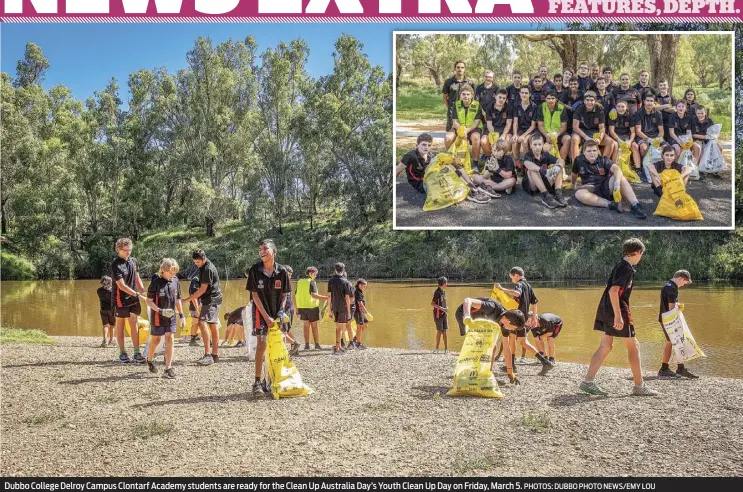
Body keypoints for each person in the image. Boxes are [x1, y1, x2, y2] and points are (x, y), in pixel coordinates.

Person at [580, 238, 658, 397]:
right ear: (637, 252)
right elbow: (614, 291)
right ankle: (639, 386)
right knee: (634, 346)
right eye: (641, 254)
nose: (640, 257)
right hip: (617, 311)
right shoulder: (626, 268)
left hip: (604, 309)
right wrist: (618, 316)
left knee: (606, 346)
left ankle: (587, 382)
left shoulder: (620, 266)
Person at [456, 297, 553, 383]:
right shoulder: (492, 307)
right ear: (509, 321)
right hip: (465, 315)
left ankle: (488, 373)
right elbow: (467, 300)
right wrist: (467, 316)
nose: (513, 331)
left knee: (492, 346)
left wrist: (510, 372)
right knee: (478, 345)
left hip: (482, 320)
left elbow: (507, 349)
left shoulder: (504, 326)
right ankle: (473, 371)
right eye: (514, 328)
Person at [246, 238, 291, 396]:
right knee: (262, 344)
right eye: (260, 249)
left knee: (277, 345)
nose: (262, 252)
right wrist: (266, 317)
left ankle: (270, 380)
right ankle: (257, 382)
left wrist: (280, 311)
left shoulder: (282, 271)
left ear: (274, 251)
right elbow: (255, 296)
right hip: (260, 312)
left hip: (276, 312)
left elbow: (285, 293)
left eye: (265, 249)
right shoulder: (254, 270)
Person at [395, 133, 492, 204]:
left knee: (451, 165)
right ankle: (471, 190)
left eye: (429, 145)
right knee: (448, 164)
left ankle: (473, 186)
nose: (426, 147)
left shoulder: (430, 155)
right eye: (423, 145)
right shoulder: (410, 156)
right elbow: (397, 170)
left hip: (433, 179)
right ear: (417, 145)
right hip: (423, 184)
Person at [493, 267, 556, 376]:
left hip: (516, 318)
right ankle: (543, 362)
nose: (512, 280)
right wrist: (535, 317)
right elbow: (535, 302)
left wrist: (502, 289)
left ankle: (541, 362)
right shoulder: (529, 286)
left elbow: (517, 294)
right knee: (519, 341)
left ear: (516, 275)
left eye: (512, 277)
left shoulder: (520, 284)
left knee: (515, 340)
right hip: (523, 318)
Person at [572, 139, 647, 219]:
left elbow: (616, 169)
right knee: (578, 194)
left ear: (598, 151)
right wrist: (573, 184)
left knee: (620, 177)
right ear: (584, 152)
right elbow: (574, 174)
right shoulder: (578, 160)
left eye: (594, 150)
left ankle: (635, 205)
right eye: (589, 151)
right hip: (591, 189)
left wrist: (617, 184)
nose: (592, 153)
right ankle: (611, 204)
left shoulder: (603, 159)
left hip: (606, 187)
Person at [143, 258, 184, 379]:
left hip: (171, 316)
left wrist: (182, 315)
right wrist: (160, 310)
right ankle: (149, 360)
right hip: (157, 316)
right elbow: (148, 301)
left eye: (175, 272)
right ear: (163, 270)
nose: (173, 275)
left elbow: (178, 300)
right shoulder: (156, 281)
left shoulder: (176, 281)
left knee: (170, 338)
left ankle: (168, 368)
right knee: (156, 340)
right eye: (171, 272)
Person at [182, 249, 223, 366]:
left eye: (198, 262)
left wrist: (186, 300)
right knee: (213, 324)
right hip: (214, 299)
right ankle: (215, 354)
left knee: (202, 322)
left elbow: (202, 289)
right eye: (195, 262)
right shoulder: (204, 266)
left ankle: (208, 355)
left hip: (212, 299)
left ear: (204, 258)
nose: (197, 264)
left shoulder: (208, 269)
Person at [657, 270, 698, 379]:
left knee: (673, 342)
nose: (683, 285)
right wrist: (679, 307)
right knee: (675, 342)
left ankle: (674, 367)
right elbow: (671, 308)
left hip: (665, 318)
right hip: (670, 320)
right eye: (684, 282)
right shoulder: (672, 288)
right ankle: (669, 369)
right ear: (680, 278)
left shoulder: (666, 285)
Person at [111, 237, 146, 364]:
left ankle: (137, 352)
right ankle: (122, 352)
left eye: (130, 250)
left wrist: (143, 290)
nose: (128, 252)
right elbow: (121, 285)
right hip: (120, 299)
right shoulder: (116, 264)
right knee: (120, 325)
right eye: (125, 250)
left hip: (134, 298)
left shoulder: (133, 261)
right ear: (118, 249)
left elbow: (137, 277)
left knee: (133, 322)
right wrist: (137, 294)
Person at [521, 133, 568, 209]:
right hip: (532, 185)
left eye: (539, 144)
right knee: (532, 170)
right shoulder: (528, 155)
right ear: (531, 145)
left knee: (559, 167)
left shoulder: (545, 155)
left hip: (544, 181)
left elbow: (561, 160)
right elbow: (527, 163)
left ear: (543, 144)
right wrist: (544, 171)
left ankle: (558, 194)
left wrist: (559, 166)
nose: (537, 147)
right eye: (535, 144)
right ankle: (546, 196)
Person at [444, 84, 482, 171]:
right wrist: (461, 130)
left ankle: (475, 164)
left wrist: (466, 131)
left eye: (468, 94)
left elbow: (476, 123)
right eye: (463, 94)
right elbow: (455, 122)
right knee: (448, 137)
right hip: (459, 128)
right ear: (460, 95)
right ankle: (452, 159)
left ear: (472, 95)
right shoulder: (456, 105)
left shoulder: (477, 105)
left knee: (476, 137)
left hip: (472, 128)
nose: (466, 96)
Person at [571, 91, 615, 161]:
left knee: (611, 142)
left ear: (595, 101)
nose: (589, 102)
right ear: (584, 101)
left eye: (592, 100)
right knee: (574, 139)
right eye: (587, 100)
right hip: (581, 132)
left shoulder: (599, 109)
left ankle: (602, 164)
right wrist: (586, 137)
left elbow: (602, 128)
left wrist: (599, 139)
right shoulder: (579, 108)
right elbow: (575, 127)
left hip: (595, 132)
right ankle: (576, 165)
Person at [632, 94, 665, 180]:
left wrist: (658, 139)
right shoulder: (638, 113)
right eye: (647, 101)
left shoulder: (658, 114)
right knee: (643, 147)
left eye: (651, 101)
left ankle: (663, 169)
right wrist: (649, 140)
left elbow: (661, 131)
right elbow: (638, 131)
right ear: (644, 102)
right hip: (643, 136)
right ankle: (644, 165)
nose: (649, 103)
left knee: (666, 148)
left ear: (654, 103)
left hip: (655, 136)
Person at [295, 266, 329, 350]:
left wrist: (296, 309)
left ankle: (307, 345)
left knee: (306, 325)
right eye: (315, 274)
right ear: (310, 273)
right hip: (311, 307)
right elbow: (314, 295)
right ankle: (317, 344)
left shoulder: (299, 282)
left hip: (302, 307)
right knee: (314, 326)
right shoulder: (311, 282)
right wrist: (326, 298)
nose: (316, 276)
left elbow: (295, 295)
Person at [535, 91, 571, 163]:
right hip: (544, 132)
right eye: (548, 98)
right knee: (535, 139)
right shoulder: (541, 107)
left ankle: (560, 162)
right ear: (545, 99)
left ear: (556, 99)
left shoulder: (561, 108)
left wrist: (557, 134)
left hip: (558, 132)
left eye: (552, 98)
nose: (550, 100)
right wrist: (546, 135)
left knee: (568, 139)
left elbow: (564, 126)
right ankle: (538, 161)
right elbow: (540, 125)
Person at [328, 262, 353, 355]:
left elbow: (329, 296)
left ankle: (338, 346)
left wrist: (329, 310)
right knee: (340, 328)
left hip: (334, 307)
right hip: (343, 308)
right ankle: (338, 348)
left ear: (335, 270)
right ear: (343, 270)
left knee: (338, 327)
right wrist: (349, 312)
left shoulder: (331, 281)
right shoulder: (346, 282)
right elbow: (347, 298)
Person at [480, 89, 513, 160]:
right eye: (500, 97)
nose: (501, 100)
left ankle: (505, 158)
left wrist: (503, 135)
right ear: (495, 96)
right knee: (483, 141)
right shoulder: (489, 107)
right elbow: (489, 124)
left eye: (504, 98)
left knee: (508, 139)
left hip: (504, 129)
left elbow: (508, 124)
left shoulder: (509, 107)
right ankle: (490, 157)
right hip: (492, 129)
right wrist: (494, 138)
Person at [442, 60, 474, 132]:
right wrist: (450, 108)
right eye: (458, 67)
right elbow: (444, 97)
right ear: (455, 69)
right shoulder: (448, 82)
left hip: (466, 111)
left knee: (465, 133)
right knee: (452, 132)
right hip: (452, 111)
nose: (460, 69)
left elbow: (472, 97)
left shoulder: (470, 82)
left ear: (465, 69)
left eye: (462, 67)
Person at [512, 85, 538, 160]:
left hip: (530, 130)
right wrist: (515, 134)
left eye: (526, 93)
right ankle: (517, 163)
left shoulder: (534, 106)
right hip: (520, 129)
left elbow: (533, 126)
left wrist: (523, 135)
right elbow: (515, 122)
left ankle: (527, 162)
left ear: (530, 94)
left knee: (524, 141)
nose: (524, 95)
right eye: (522, 92)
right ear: (519, 93)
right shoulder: (516, 105)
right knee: (514, 141)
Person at [281, 266, 300, 356]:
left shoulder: (284, 282)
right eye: (288, 275)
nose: (289, 277)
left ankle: (291, 345)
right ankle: (294, 347)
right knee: (286, 330)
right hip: (288, 307)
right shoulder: (284, 282)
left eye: (290, 275)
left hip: (286, 308)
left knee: (282, 330)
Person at [431, 276, 449, 354]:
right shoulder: (437, 292)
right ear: (442, 283)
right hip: (438, 315)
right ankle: (437, 349)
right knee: (439, 331)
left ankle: (446, 349)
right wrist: (443, 309)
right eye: (446, 282)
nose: (447, 284)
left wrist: (446, 308)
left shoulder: (443, 291)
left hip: (444, 314)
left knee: (444, 331)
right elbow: (432, 304)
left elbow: (443, 302)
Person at [351, 279, 369, 349]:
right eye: (362, 285)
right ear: (358, 284)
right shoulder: (357, 292)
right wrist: (367, 312)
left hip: (361, 311)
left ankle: (355, 338)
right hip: (358, 311)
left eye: (364, 286)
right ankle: (358, 344)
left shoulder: (359, 291)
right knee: (359, 327)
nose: (363, 287)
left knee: (365, 324)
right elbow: (360, 303)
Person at [97, 276, 115, 347]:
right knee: (112, 326)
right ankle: (111, 340)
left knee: (105, 325)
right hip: (112, 310)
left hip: (103, 309)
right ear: (110, 282)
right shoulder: (112, 291)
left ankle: (104, 340)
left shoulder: (98, 290)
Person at [186, 275, 201, 345]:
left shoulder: (199, 282)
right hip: (195, 307)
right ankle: (192, 340)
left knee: (199, 323)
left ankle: (194, 339)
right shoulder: (195, 283)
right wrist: (197, 309)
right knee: (196, 323)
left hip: (200, 307)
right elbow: (194, 297)